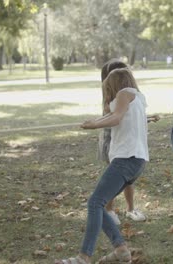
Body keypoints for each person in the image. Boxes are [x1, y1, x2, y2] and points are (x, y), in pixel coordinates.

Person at [56, 68, 149, 264]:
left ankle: (84, 257)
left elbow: (116, 118)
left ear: (114, 85)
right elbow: (118, 116)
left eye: (108, 88)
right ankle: (121, 250)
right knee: (98, 203)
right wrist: (97, 120)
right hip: (137, 161)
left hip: (127, 159)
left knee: (95, 203)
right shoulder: (138, 98)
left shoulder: (124, 93)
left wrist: (94, 125)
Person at [99, 59, 148, 225]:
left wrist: (146, 118)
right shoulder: (111, 93)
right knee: (113, 177)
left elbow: (131, 114)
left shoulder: (132, 93)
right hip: (113, 139)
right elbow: (112, 114)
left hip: (129, 143)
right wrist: (92, 124)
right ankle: (109, 210)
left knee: (128, 179)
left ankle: (130, 209)